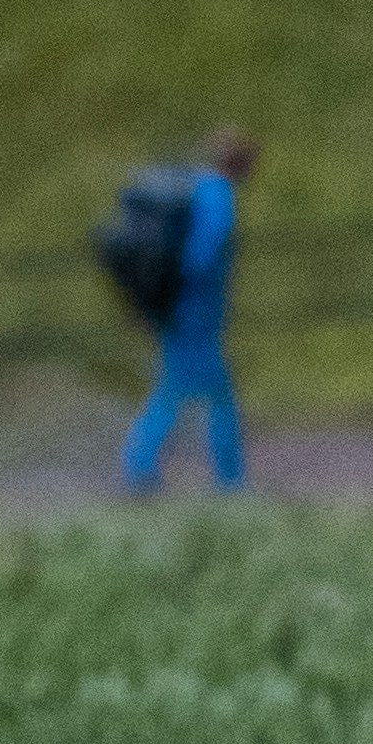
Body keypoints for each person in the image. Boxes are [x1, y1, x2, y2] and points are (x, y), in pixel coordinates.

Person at [116, 130, 256, 498]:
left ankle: (144, 468)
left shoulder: (197, 188)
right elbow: (202, 256)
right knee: (199, 394)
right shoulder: (218, 197)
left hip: (180, 310)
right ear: (240, 163)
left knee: (178, 391)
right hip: (194, 313)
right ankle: (226, 480)